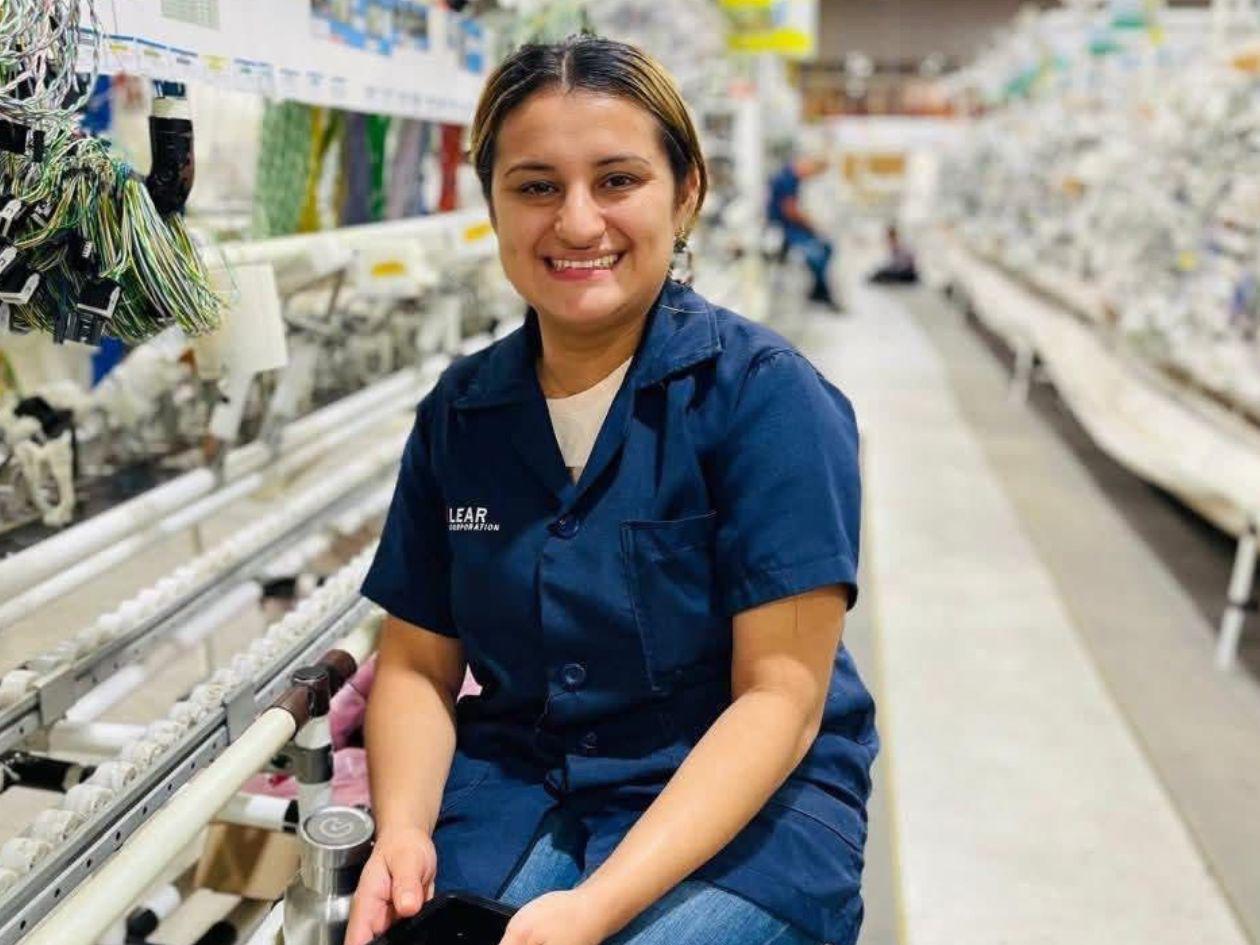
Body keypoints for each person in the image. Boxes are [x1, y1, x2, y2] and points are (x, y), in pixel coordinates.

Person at [347, 35, 877, 945]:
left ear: (687, 192)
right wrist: (400, 830)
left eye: (618, 180)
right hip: (523, 785)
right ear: (493, 202)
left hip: (743, 806)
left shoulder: (766, 399)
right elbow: (416, 665)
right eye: (536, 186)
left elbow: (779, 702)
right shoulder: (461, 413)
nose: (578, 223)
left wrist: (594, 908)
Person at [767, 153, 842, 311]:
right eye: (814, 172)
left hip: (794, 227)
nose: (812, 177)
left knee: (828, 247)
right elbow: (790, 211)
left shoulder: (795, 179)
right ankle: (823, 293)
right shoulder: (787, 179)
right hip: (785, 229)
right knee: (816, 255)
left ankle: (818, 290)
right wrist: (813, 225)